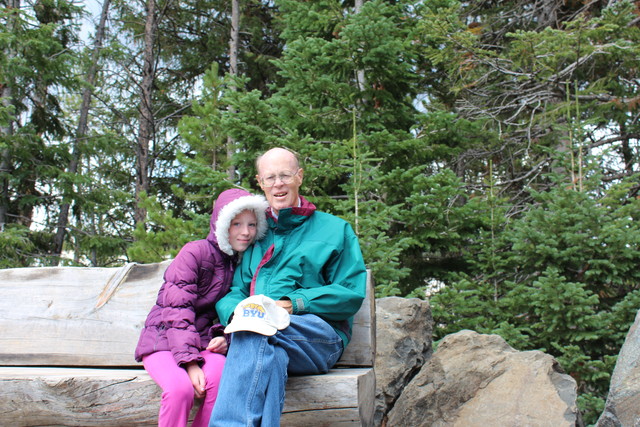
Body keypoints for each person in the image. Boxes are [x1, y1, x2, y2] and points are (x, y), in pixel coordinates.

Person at [209, 147, 367, 426]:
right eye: (270, 178)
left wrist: (292, 304)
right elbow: (235, 291)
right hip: (261, 334)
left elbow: (350, 293)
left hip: (319, 336)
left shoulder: (334, 230)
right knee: (271, 357)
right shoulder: (257, 234)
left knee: (256, 327)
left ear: (299, 177)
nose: (278, 184)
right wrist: (236, 314)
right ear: (260, 183)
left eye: (285, 175)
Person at [134, 188, 269, 427]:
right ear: (222, 224)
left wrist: (223, 337)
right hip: (163, 341)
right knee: (180, 390)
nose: (245, 232)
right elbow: (177, 309)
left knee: (221, 380)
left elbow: (227, 314)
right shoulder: (195, 252)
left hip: (203, 343)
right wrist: (190, 363)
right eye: (237, 224)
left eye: (251, 224)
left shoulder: (241, 263)